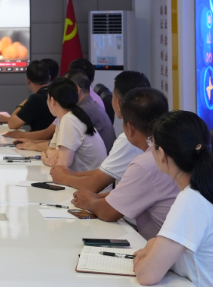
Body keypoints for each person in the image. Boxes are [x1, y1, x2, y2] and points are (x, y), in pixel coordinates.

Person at [133, 111, 213, 287]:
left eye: (151, 142)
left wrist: (148, 253)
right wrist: (154, 245)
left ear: (162, 154)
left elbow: (147, 275)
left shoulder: (192, 200)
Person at [70, 88, 179, 239]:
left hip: (166, 249)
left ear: (130, 128)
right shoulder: (174, 147)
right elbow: (132, 192)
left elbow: (108, 212)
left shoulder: (147, 163)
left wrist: (89, 202)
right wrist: (96, 198)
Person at [50, 70, 150, 191]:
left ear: (118, 103)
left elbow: (95, 184)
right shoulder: (151, 134)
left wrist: (64, 177)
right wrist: (70, 174)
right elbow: (102, 172)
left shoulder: (128, 139)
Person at [19, 77, 107, 172]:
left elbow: (62, 165)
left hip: (88, 178)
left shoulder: (69, 120)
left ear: (52, 100)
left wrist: (45, 158)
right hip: (83, 176)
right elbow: (51, 148)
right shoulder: (66, 117)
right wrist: (50, 153)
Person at [0, 60, 55, 141]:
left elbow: (12, 124)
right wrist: (7, 119)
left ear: (28, 80)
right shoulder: (56, 92)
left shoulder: (37, 98)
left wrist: (24, 103)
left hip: (43, 142)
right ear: (49, 77)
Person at [65, 69, 116, 152]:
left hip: (101, 158)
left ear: (77, 90)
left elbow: (67, 144)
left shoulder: (83, 110)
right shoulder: (90, 105)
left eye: (66, 89)